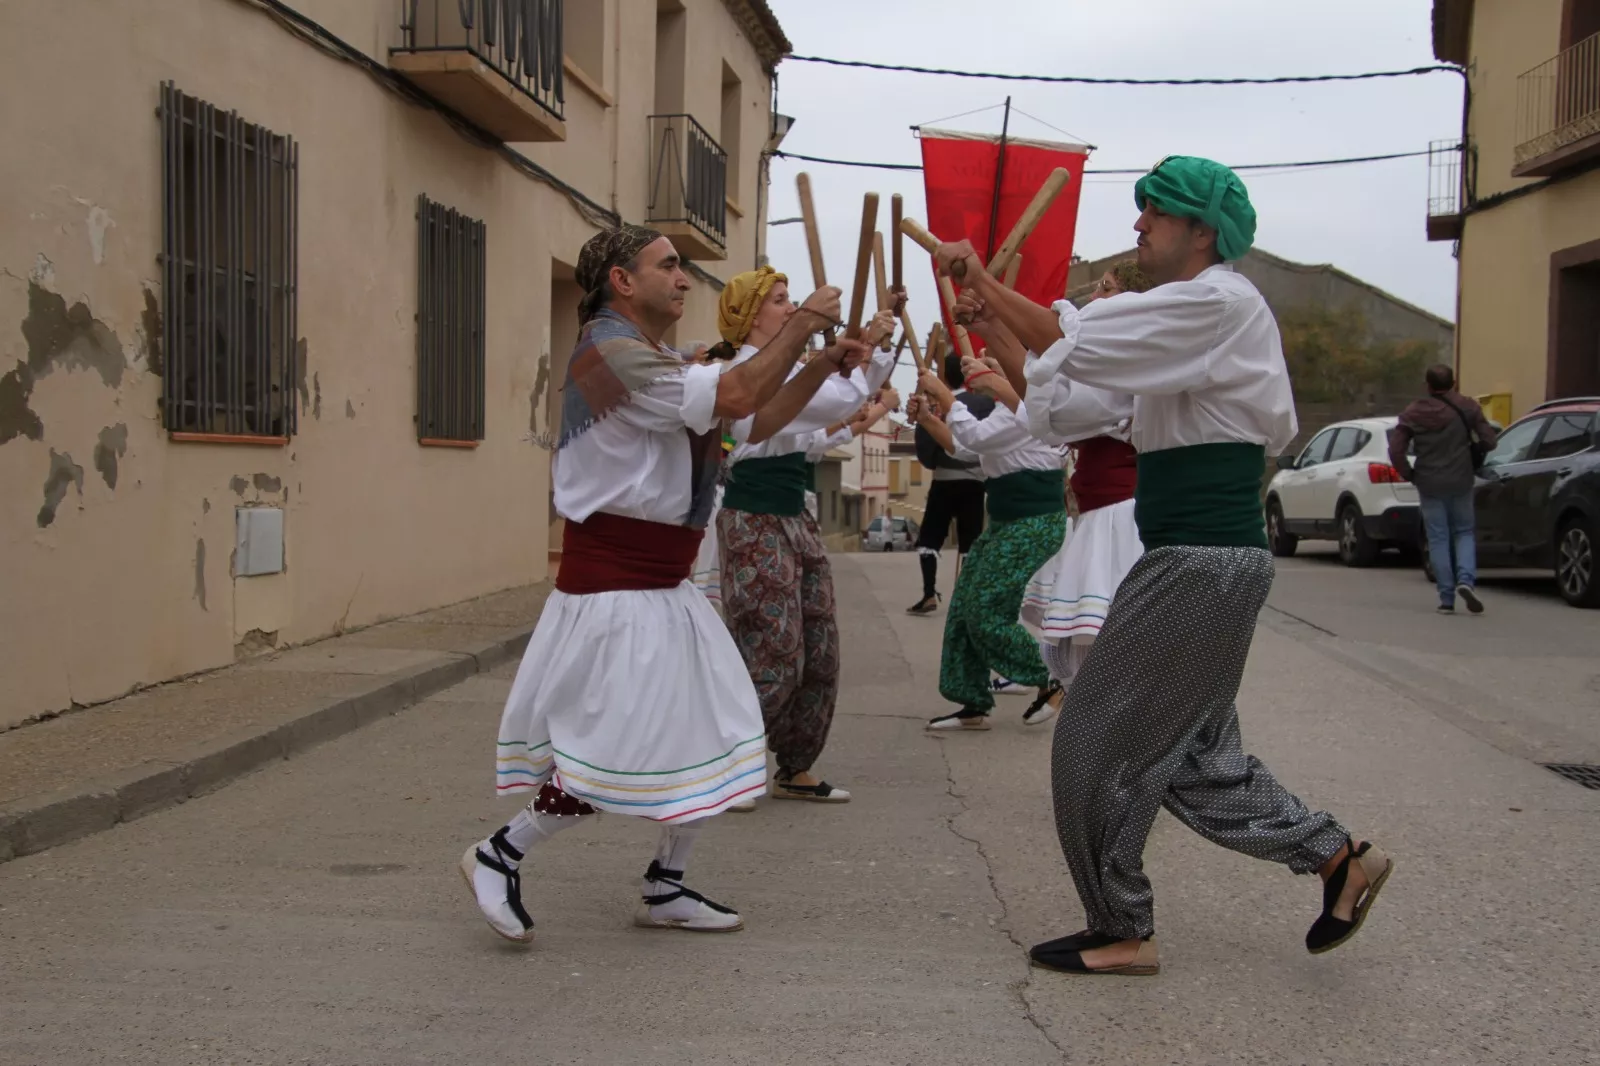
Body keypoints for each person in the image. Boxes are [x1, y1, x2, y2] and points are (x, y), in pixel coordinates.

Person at [935, 156, 1392, 975]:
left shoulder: (1217, 303)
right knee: (1194, 753)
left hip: (1201, 561)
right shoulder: (1182, 328)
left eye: (1155, 213)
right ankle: (1336, 858)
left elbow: (1072, 339)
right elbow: (1072, 401)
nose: (1139, 225)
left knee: (1091, 737)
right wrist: (995, 320)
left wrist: (986, 284)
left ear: (1201, 231)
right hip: (1192, 559)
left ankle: (1123, 927)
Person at [461, 226, 861, 942]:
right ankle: (500, 853)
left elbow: (754, 414)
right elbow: (738, 390)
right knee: (612, 744)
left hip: (661, 585)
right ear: (621, 279)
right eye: (668, 266)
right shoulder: (609, 355)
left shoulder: (646, 356)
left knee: (712, 729)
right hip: (616, 587)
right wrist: (801, 325)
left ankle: (665, 885)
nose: (683, 279)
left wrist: (820, 355)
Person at [715, 267, 899, 804]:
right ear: (749, 316)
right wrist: (866, 348)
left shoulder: (791, 369)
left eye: (791, 299)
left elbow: (817, 428)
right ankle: (732, 762)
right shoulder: (744, 371)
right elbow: (835, 402)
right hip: (754, 519)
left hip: (797, 517)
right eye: (778, 301)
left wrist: (868, 347)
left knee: (819, 647)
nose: (791, 308)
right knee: (771, 646)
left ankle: (795, 765)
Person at [959, 263, 1149, 701]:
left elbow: (1055, 408)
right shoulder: (1110, 365)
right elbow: (1048, 407)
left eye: (1106, 289)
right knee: (1096, 673)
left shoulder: (1130, 363)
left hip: (1124, 524)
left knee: (1114, 673)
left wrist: (992, 303)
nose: (1094, 298)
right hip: (1101, 519)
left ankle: (1124, 759)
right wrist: (994, 324)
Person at [908, 354, 1067, 731]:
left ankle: (1050, 678)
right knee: (965, 605)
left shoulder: (1029, 410)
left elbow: (974, 436)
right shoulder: (1005, 413)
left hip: (1033, 523)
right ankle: (973, 700)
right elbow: (969, 450)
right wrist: (929, 419)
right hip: (1008, 522)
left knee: (984, 609)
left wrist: (944, 395)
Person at [1388, 364, 1498, 614]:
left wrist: (1411, 474)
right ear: (1454, 383)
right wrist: (1473, 450)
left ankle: (1446, 599)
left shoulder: (1413, 412)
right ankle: (1466, 580)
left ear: (1427, 385)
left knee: (1438, 537)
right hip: (1460, 480)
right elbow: (1490, 440)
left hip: (1428, 481)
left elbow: (1395, 450)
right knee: (1464, 532)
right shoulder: (1468, 406)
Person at [906, 353, 994, 616]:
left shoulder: (938, 407)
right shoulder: (985, 403)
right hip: (975, 481)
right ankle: (967, 596)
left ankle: (929, 593)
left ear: (943, 376)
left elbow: (927, 448)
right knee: (970, 539)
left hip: (944, 479)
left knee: (930, 538)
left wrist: (934, 460)